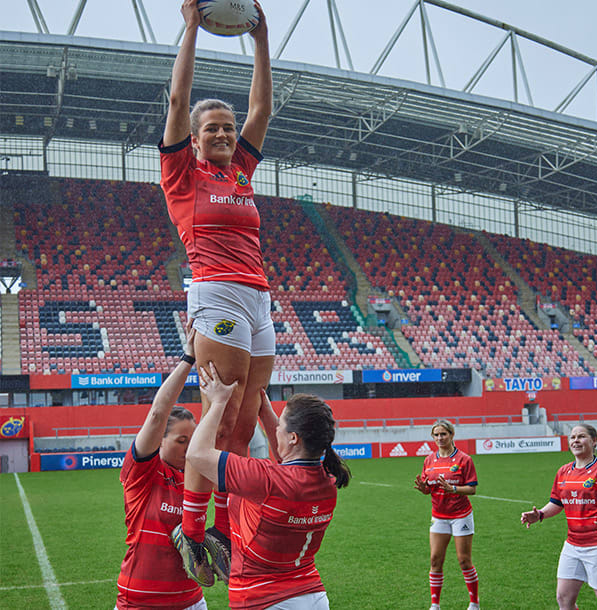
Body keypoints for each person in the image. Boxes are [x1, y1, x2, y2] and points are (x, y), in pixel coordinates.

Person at [159, 0, 274, 585]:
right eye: (214, 129)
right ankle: (195, 531)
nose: (226, 133)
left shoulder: (242, 174)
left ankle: (222, 534)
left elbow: (262, 106)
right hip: (217, 294)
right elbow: (178, 102)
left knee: (245, 424)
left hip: (258, 296)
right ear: (195, 140)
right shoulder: (183, 175)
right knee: (221, 406)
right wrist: (190, 29)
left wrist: (261, 36)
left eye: (228, 127)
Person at [184, 361, 351, 609]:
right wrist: (264, 411)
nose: (276, 429)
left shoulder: (266, 480)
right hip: (311, 595)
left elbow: (196, 454)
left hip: (265, 600)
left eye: (280, 426)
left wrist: (217, 402)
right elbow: (291, 459)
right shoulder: (327, 481)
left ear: (293, 437)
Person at [115, 323, 208, 609]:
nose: (189, 447)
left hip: (192, 600)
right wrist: (189, 358)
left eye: (193, 440)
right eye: (181, 440)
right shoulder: (143, 472)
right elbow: (157, 414)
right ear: (161, 439)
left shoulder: (197, 473)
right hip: (142, 600)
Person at [521, 424, 597, 610]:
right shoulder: (563, 472)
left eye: (581, 436)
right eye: (572, 437)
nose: (575, 441)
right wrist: (540, 515)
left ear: (594, 441)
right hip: (572, 545)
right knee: (563, 598)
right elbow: (557, 502)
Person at [414, 419, 480, 610]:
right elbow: (430, 488)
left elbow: (472, 489)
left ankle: (474, 603)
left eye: (443, 434)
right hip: (439, 516)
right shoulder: (429, 460)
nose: (440, 438)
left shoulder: (464, 459)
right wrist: (423, 489)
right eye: (436, 435)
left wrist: (453, 489)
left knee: (464, 560)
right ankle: (435, 605)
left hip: (461, 515)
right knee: (435, 560)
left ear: (451, 435)